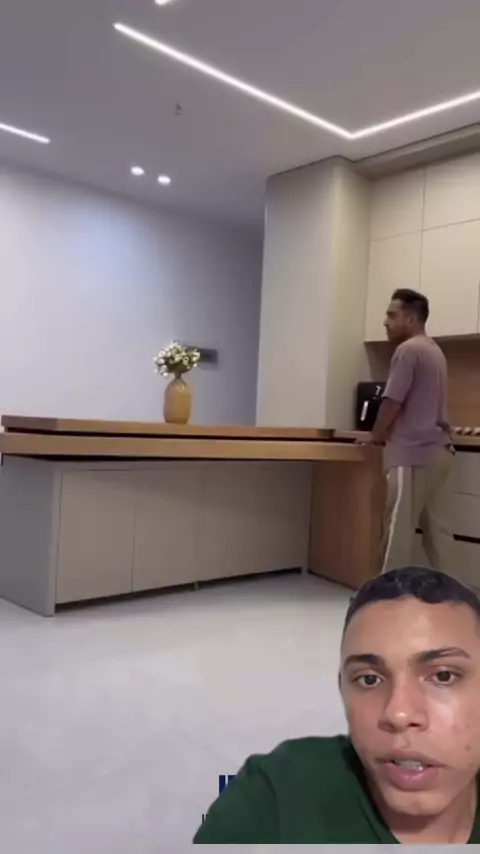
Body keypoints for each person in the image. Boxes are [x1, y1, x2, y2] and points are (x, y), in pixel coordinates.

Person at [193, 567, 480, 844]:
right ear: (342, 688)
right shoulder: (275, 796)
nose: (398, 713)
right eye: (369, 679)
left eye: (443, 676)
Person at [368, 288, 455, 573]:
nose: (386, 322)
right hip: (438, 452)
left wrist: (376, 434)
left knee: (397, 532)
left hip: (412, 454)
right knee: (438, 534)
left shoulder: (408, 350)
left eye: (392, 315)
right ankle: (455, 594)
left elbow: (392, 400)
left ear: (411, 318)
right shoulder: (434, 351)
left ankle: (385, 593)